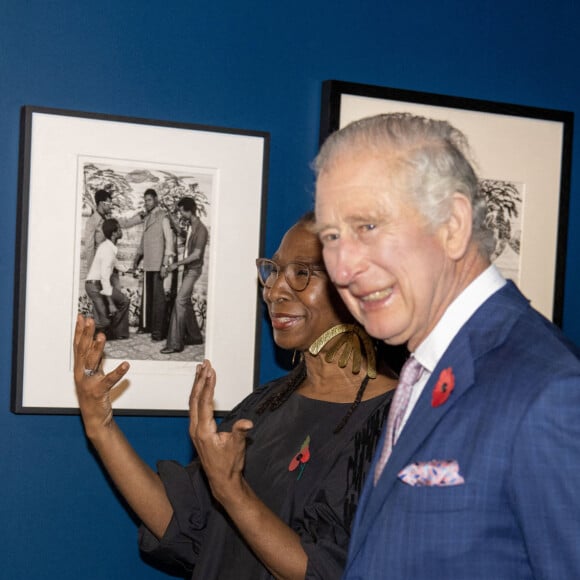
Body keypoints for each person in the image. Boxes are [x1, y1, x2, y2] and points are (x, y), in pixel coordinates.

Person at [313, 113, 580, 579]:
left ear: (453, 226)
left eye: (368, 226)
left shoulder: (550, 391)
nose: (342, 268)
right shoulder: (426, 367)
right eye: (332, 237)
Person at [73, 213, 401, 579]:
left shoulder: (392, 426)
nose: (274, 290)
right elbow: (187, 526)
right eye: (273, 270)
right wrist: (100, 425)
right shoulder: (265, 404)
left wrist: (232, 491)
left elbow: (328, 571)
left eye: (301, 273)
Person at [160, 197, 208, 354]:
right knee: (185, 301)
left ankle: (174, 344)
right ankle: (195, 337)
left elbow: (196, 255)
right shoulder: (191, 226)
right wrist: (172, 222)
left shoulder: (201, 229)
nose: (180, 213)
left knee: (179, 301)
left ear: (189, 210)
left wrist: (176, 264)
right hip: (188, 269)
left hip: (193, 270)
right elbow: (183, 234)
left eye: (181, 210)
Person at [132, 188, 175, 341]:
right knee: (148, 299)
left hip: (158, 265)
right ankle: (147, 327)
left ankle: (158, 333)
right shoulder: (147, 218)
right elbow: (144, 242)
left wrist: (165, 264)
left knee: (158, 300)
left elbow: (169, 242)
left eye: (149, 200)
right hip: (148, 264)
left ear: (156, 199)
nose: (146, 203)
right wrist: (136, 259)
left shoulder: (163, 216)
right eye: (145, 200)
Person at [84, 218, 130, 340]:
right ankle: (91, 334)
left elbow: (117, 264)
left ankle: (117, 332)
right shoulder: (107, 250)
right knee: (105, 322)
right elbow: (105, 278)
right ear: (114, 233)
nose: (121, 231)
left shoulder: (108, 247)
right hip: (95, 286)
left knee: (122, 302)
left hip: (96, 285)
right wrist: (110, 304)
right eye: (119, 229)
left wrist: (131, 270)